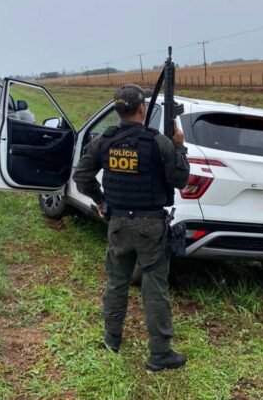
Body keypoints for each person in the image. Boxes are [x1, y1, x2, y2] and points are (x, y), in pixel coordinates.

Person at [73, 83, 191, 371]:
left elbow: (81, 176)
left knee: (116, 282)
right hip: (151, 225)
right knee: (155, 287)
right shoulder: (158, 142)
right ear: (141, 109)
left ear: (117, 110)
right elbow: (180, 179)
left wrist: (101, 201)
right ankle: (159, 354)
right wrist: (178, 144)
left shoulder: (104, 140)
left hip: (117, 224)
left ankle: (111, 339)